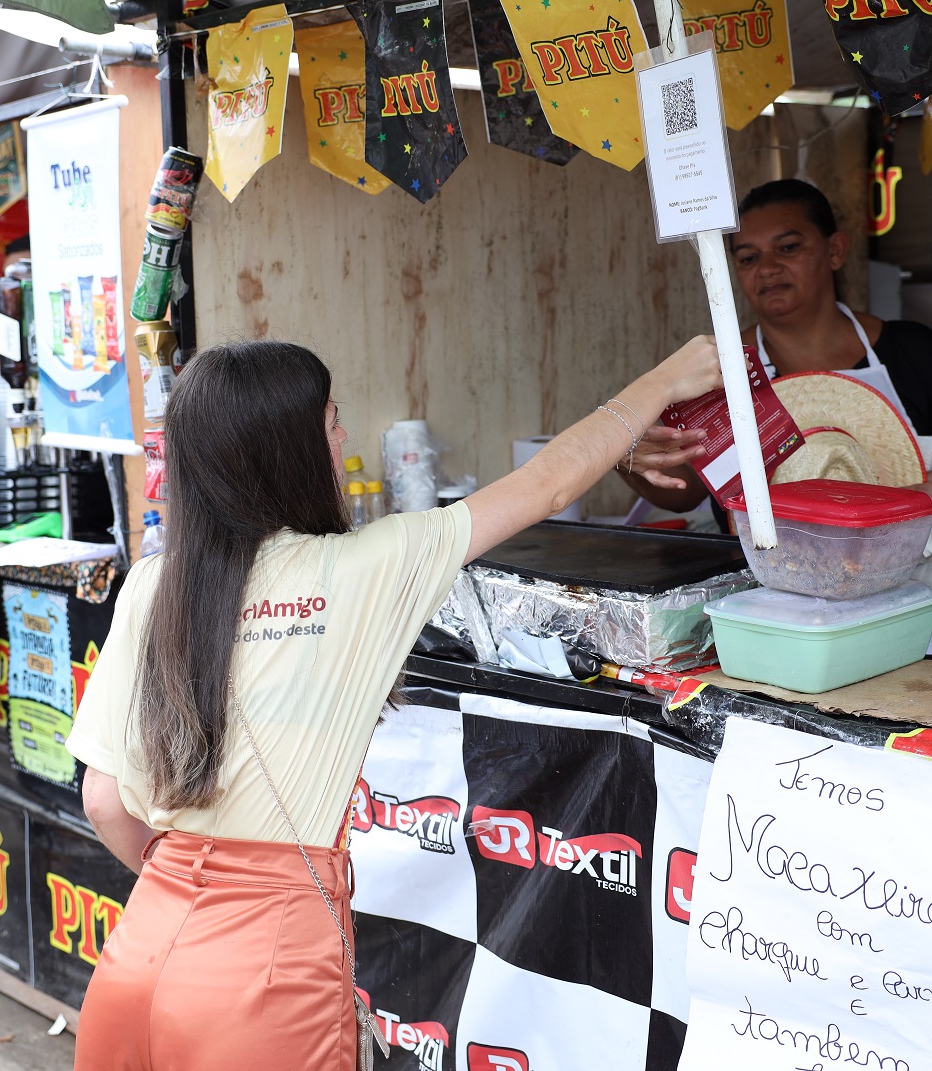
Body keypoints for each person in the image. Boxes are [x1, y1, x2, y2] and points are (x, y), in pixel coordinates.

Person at [65, 337, 722, 1069]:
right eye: (331, 419)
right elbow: (546, 486)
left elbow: (104, 801)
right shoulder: (366, 566)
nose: (341, 435)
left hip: (137, 958)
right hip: (263, 980)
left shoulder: (153, 585)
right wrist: (665, 379)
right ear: (289, 449)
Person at [620, 178, 932, 541]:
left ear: (836, 250)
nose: (768, 269)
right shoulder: (717, 369)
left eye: (788, 248)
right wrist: (626, 453)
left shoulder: (912, 352)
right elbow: (684, 493)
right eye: (748, 258)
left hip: (910, 604)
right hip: (763, 604)